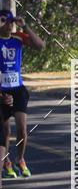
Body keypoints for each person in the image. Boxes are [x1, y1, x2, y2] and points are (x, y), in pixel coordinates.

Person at [0, 9, 45, 179]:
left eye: (11, 21)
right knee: (5, 131)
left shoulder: (17, 37)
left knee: (22, 128)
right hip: (2, 90)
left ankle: (20, 159)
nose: (9, 25)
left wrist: (25, 26)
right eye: (4, 21)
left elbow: (40, 46)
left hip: (18, 89)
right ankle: (6, 161)